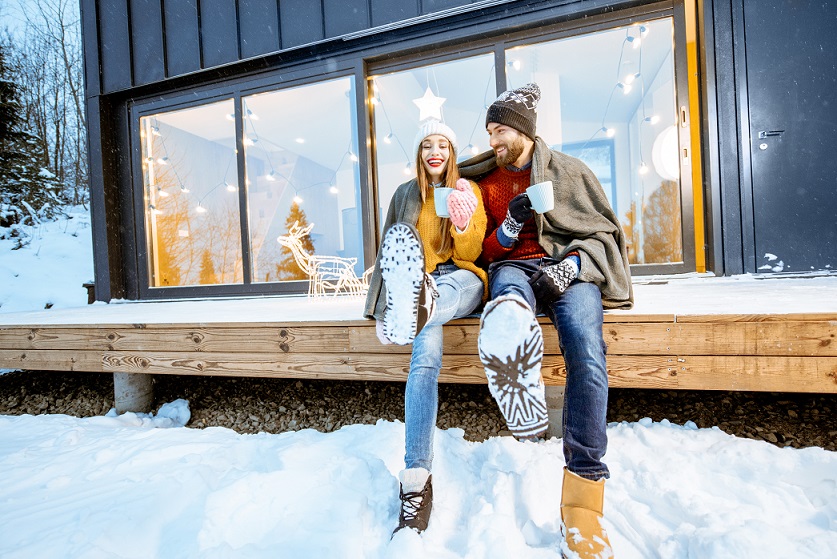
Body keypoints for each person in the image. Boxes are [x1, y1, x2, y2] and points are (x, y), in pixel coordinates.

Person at [459, 83, 633, 558]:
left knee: (588, 355)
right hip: (514, 267)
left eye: (500, 130)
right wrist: (511, 225)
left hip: (567, 268)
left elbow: (603, 235)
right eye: (490, 132)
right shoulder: (485, 184)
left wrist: (570, 267)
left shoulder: (570, 172)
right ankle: (512, 346)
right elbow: (484, 252)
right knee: (508, 297)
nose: (493, 140)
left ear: (523, 130)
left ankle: (583, 503)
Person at [364, 120, 488, 535]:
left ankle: (422, 306)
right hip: (420, 287)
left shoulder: (467, 190)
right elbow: (389, 252)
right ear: (418, 153)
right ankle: (416, 478)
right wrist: (381, 305)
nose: (434, 152)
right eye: (426, 145)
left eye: (442, 145)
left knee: (462, 283)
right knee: (423, 364)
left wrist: (463, 223)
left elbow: (473, 251)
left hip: (459, 281)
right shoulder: (405, 194)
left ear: (452, 152)